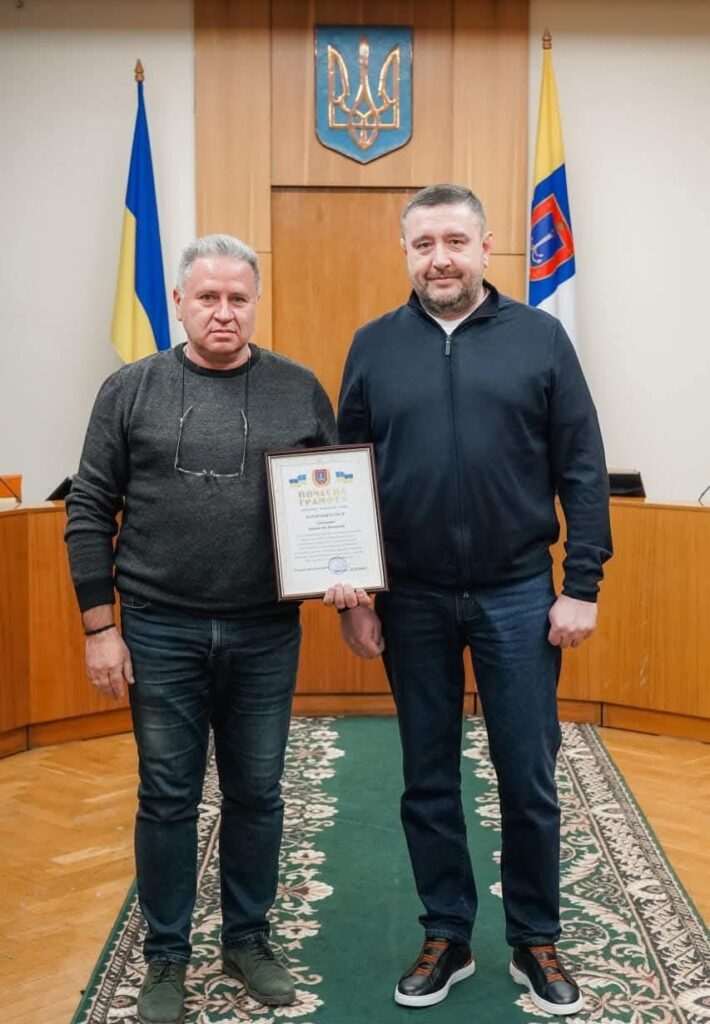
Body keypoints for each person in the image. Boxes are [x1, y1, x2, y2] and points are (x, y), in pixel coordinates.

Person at [325, 185, 612, 1015]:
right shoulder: (374, 346)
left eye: (455, 241)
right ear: (405, 252)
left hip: (518, 592)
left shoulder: (540, 338)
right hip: (410, 598)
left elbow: (583, 467)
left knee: (527, 775)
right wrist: (354, 595)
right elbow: (347, 475)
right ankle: (447, 932)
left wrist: (581, 584)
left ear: (487, 247)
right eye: (424, 244)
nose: (440, 258)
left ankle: (535, 939)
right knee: (426, 776)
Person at [65, 234, 337, 1024]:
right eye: (208, 297)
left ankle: (247, 940)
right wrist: (100, 628)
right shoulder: (131, 388)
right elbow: (89, 509)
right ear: (179, 302)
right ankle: (166, 955)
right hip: (160, 630)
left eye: (238, 298)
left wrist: (346, 572)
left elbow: (338, 499)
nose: (224, 312)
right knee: (167, 796)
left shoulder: (297, 389)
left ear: (256, 304)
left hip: (265, 631)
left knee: (257, 792)